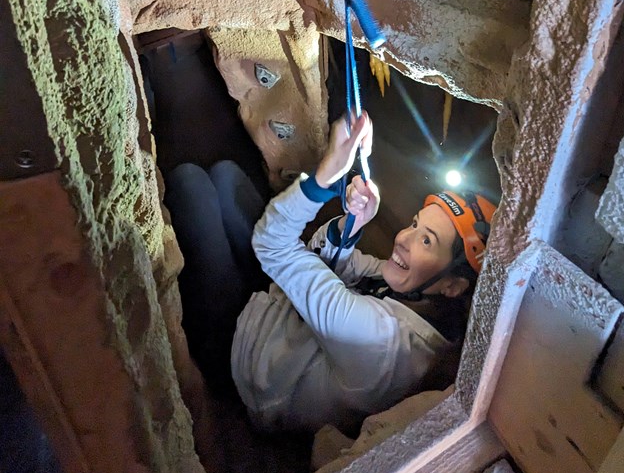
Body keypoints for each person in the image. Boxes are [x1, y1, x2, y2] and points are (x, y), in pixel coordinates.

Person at [165, 112, 496, 435]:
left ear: (453, 285)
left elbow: (273, 246)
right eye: (414, 224)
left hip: (244, 358)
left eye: (427, 240)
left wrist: (323, 179)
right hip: (281, 313)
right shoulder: (419, 297)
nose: (403, 239)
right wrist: (352, 222)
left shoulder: (379, 339)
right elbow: (335, 263)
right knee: (225, 176)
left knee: (188, 182)